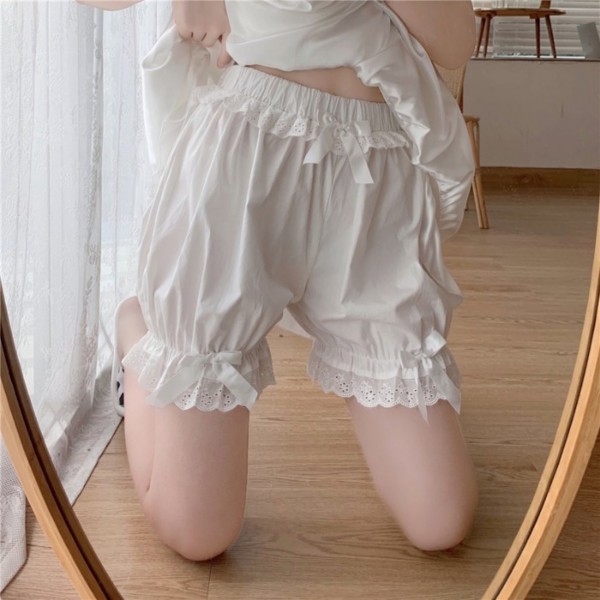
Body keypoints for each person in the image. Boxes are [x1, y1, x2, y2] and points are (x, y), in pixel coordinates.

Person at [82, 0, 479, 561]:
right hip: (245, 157)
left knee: (441, 520)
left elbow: (456, 40)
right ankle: (138, 330)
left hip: (376, 179)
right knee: (199, 532)